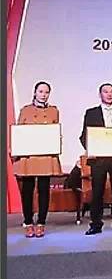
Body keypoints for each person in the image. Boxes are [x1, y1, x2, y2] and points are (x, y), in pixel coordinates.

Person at [80, 83, 112, 235]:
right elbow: (84, 135)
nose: (109, 94)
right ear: (100, 94)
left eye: (111, 92)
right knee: (97, 192)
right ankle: (95, 224)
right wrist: (90, 149)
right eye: (105, 92)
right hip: (98, 159)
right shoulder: (91, 113)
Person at [13, 81, 62, 238]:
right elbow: (19, 132)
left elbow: (56, 131)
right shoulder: (25, 110)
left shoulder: (54, 111)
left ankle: (41, 222)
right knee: (27, 190)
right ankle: (28, 222)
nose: (43, 95)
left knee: (44, 189)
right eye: (41, 91)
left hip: (45, 155)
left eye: (46, 92)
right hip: (29, 155)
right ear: (35, 92)